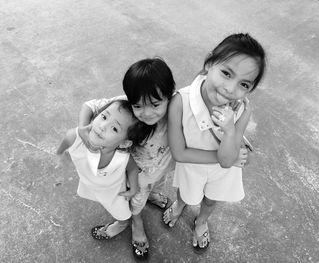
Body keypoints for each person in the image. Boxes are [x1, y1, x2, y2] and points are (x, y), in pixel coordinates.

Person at [163, 33, 266, 252]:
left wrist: (230, 132)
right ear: (209, 63)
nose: (230, 88)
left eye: (244, 84)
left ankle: (201, 221)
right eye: (226, 73)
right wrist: (226, 157)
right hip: (191, 166)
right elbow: (179, 154)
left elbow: (227, 162)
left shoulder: (242, 111)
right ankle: (180, 204)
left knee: (211, 200)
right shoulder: (181, 101)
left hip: (223, 171)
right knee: (185, 193)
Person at [78, 58, 176, 259]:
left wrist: (234, 136)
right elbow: (90, 105)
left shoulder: (178, 109)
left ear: (170, 95)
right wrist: (83, 128)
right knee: (132, 203)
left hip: (160, 170)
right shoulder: (127, 103)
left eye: (155, 104)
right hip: (132, 175)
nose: (146, 113)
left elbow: (205, 121)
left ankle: (151, 196)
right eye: (138, 106)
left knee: (155, 187)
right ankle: (135, 225)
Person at [57, 100, 150, 241]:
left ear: (124, 143)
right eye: (104, 117)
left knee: (122, 213)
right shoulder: (75, 138)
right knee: (101, 201)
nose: (102, 126)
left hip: (115, 193)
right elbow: (65, 143)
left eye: (114, 129)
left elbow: (132, 169)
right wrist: (61, 154)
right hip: (91, 185)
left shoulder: (122, 157)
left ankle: (122, 224)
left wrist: (133, 188)